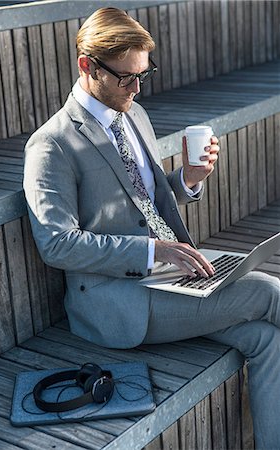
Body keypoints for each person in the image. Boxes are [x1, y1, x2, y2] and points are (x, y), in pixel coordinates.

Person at [23, 7, 280, 449]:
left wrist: (187, 180)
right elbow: (56, 244)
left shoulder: (133, 113)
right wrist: (152, 251)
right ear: (88, 66)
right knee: (267, 291)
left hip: (170, 281)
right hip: (117, 302)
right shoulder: (52, 144)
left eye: (144, 74)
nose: (138, 87)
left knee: (264, 339)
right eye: (126, 77)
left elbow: (141, 203)